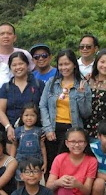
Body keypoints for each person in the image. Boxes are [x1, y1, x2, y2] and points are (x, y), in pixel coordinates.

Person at [39, 49, 92, 179]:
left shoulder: (83, 84)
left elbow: (86, 113)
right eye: (61, 65)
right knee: (51, 167)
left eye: (67, 64)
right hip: (53, 129)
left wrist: (80, 94)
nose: (64, 68)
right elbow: (43, 105)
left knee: (69, 166)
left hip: (73, 131)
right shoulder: (52, 83)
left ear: (74, 64)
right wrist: (48, 129)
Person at [46, 127, 98, 195]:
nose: (77, 145)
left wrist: (78, 184)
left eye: (80, 141)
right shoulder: (60, 158)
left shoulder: (92, 161)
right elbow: (48, 187)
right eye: (73, 142)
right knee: (65, 185)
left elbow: (87, 190)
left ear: (86, 143)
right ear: (66, 143)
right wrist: (58, 182)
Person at [0, 51, 45, 154]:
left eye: (21, 63)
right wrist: (8, 127)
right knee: (13, 164)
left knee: (34, 165)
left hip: (35, 132)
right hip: (12, 133)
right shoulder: (6, 87)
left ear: (27, 65)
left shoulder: (38, 84)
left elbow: (45, 107)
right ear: (10, 67)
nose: (18, 67)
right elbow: (0, 111)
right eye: (14, 65)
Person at [11, 102, 47, 182]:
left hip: (36, 160)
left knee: (35, 180)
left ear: (37, 117)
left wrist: (45, 162)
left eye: (32, 115)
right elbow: (14, 146)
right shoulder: (17, 131)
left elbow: (42, 147)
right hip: (20, 161)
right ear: (22, 116)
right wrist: (11, 160)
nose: (29, 118)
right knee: (20, 180)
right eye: (26, 115)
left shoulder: (39, 131)